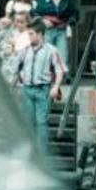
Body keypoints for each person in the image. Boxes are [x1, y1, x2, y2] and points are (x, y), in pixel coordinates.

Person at [15, 19, 66, 154]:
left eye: (31, 34)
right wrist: (14, 84)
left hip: (43, 90)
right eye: (28, 34)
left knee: (41, 123)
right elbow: (15, 67)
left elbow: (60, 70)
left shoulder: (52, 51)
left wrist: (55, 88)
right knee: (28, 122)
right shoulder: (24, 50)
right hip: (27, 90)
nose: (29, 37)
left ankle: (42, 155)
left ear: (40, 34)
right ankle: (30, 154)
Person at [32, 0, 77, 71]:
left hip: (61, 31)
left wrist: (67, 22)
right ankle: (46, 77)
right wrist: (44, 20)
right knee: (46, 55)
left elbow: (75, 14)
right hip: (48, 31)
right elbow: (35, 13)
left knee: (63, 55)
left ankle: (60, 79)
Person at [0, 16, 19, 84]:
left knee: (6, 67)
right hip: (11, 52)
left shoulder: (1, 33)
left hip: (6, 50)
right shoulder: (14, 32)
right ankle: (12, 79)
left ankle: (9, 80)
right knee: (10, 65)